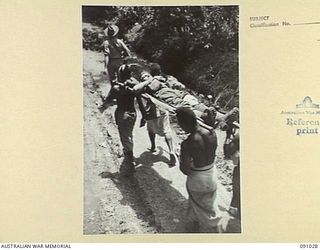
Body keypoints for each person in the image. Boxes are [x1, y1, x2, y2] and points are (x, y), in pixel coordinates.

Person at [176, 107, 221, 232]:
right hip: (211, 175)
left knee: (201, 208)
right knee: (206, 204)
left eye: (181, 125)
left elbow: (185, 170)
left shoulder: (188, 143)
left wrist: (180, 156)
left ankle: (213, 231)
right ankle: (202, 226)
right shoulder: (212, 133)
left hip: (197, 181)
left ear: (184, 124)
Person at [102, 63, 143, 176]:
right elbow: (139, 100)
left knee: (125, 139)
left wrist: (103, 106)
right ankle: (128, 160)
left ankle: (129, 165)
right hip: (132, 114)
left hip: (122, 114)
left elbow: (108, 100)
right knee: (128, 136)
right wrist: (144, 115)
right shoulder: (135, 85)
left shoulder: (116, 88)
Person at [131, 70, 177, 166]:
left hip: (152, 112)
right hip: (162, 109)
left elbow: (139, 101)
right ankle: (171, 151)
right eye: (144, 77)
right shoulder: (157, 82)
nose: (145, 77)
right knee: (166, 130)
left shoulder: (143, 88)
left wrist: (144, 116)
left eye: (146, 76)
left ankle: (153, 146)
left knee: (152, 129)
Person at [223, 133, 240, 218]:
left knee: (238, 188)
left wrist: (228, 138)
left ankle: (237, 209)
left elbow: (229, 151)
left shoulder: (240, 136)